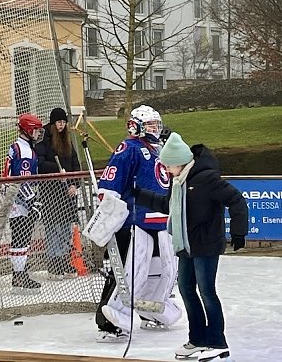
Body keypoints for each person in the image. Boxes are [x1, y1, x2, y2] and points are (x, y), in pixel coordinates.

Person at [134, 132, 249, 361]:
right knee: (186, 289)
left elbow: (236, 200)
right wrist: (139, 195)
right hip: (185, 243)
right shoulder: (179, 182)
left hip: (206, 244)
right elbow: (168, 205)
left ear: (179, 162)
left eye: (168, 166)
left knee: (207, 292)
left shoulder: (206, 178)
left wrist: (238, 232)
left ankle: (217, 342)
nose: (167, 170)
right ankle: (198, 339)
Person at [92, 105, 181, 342]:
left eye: (156, 124)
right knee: (127, 272)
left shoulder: (159, 149)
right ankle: (108, 322)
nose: (155, 128)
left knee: (160, 271)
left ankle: (150, 309)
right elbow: (110, 184)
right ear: (136, 126)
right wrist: (110, 212)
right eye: (150, 124)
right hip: (133, 222)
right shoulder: (129, 148)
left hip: (159, 222)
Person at [2, 113, 46, 294]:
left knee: (19, 239)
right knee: (21, 239)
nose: (38, 134)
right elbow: (21, 181)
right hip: (19, 202)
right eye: (36, 130)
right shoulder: (25, 151)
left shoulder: (17, 146)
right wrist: (32, 201)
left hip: (14, 199)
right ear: (28, 130)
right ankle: (19, 278)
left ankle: (19, 275)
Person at [35, 107, 81, 280]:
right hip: (51, 192)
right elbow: (39, 163)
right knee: (54, 228)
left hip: (67, 192)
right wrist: (56, 170)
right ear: (53, 123)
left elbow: (75, 163)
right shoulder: (44, 139)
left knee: (66, 228)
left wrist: (74, 184)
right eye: (58, 123)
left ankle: (63, 259)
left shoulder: (67, 140)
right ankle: (54, 262)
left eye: (63, 122)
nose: (61, 126)